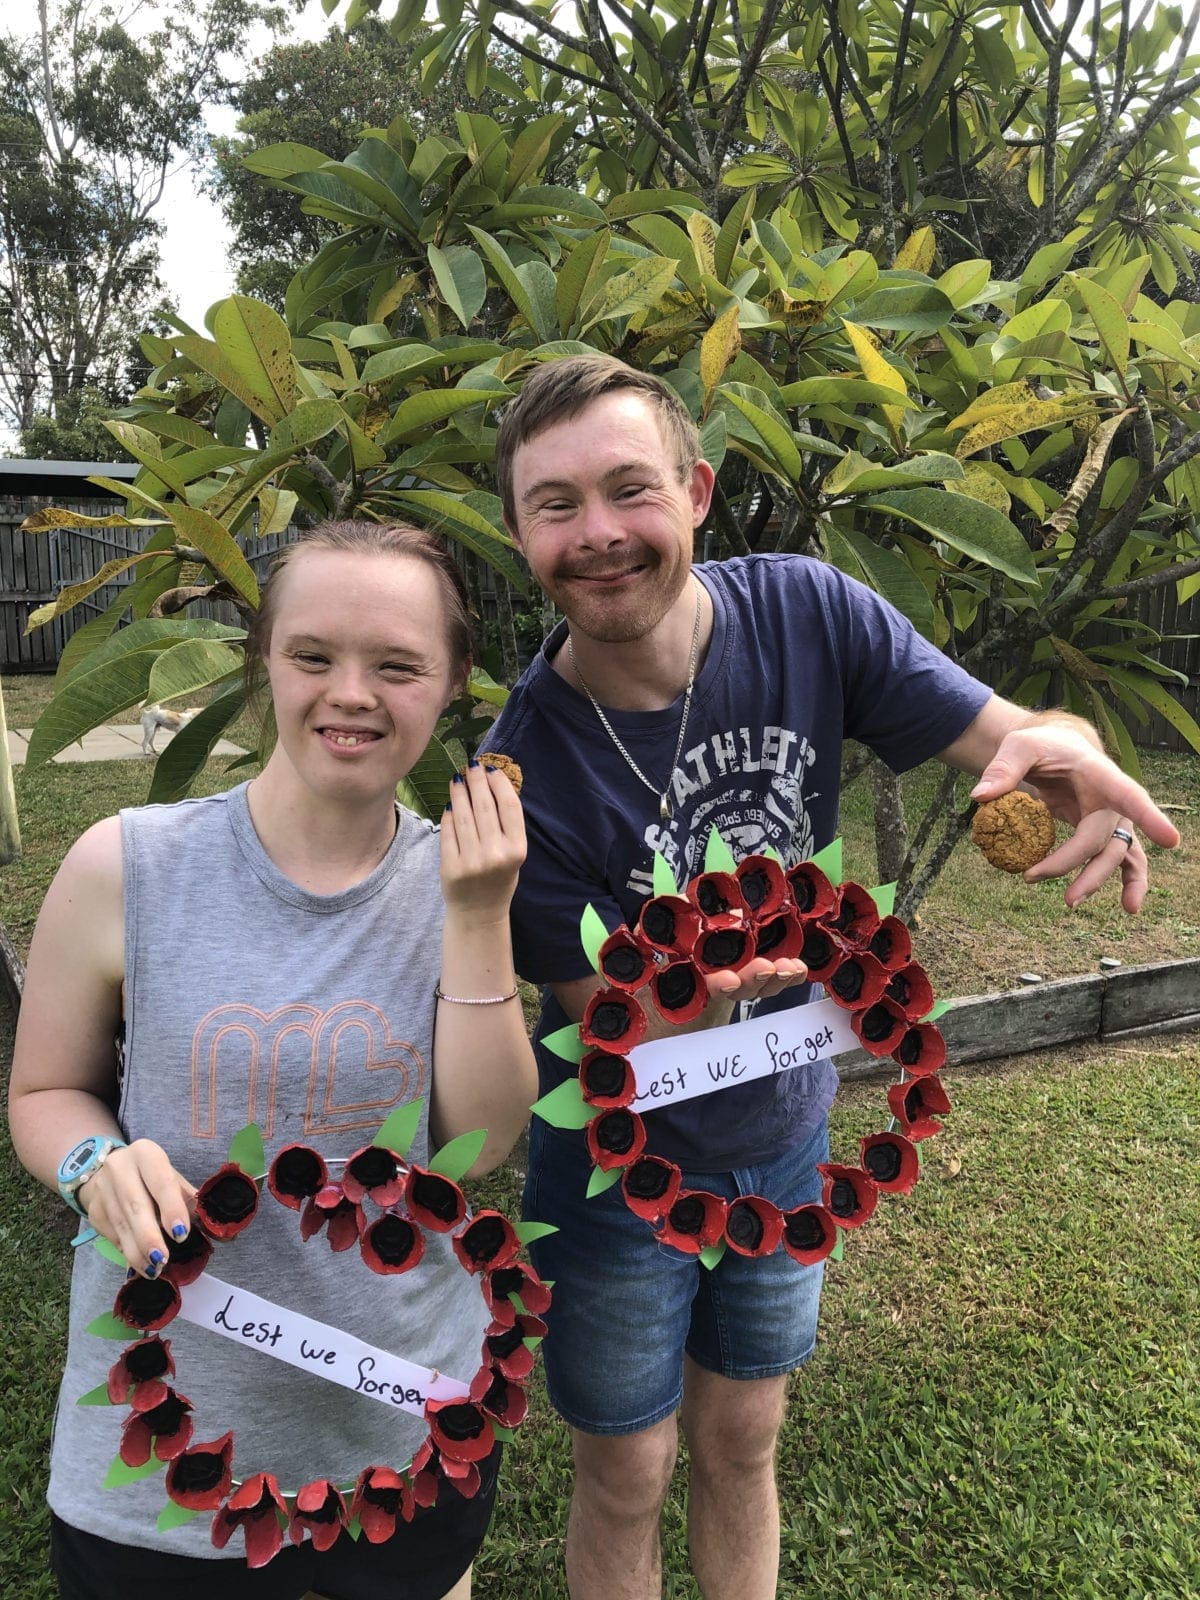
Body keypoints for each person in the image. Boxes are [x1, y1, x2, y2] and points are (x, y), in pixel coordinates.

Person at [480, 353, 1181, 1600]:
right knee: (627, 1470)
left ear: (696, 490)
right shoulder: (524, 768)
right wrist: (706, 996)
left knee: (746, 1442)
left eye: (629, 489)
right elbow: (615, 1029)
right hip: (613, 1164)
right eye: (556, 504)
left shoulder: (808, 611)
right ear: (519, 531)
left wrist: (1058, 747)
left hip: (786, 1134)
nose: (598, 534)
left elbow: (1001, 730)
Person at [8, 521, 536, 1600]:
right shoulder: (128, 865)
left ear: (450, 686)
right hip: (162, 1443)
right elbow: (44, 1090)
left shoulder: (464, 874)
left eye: (396, 664)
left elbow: (480, 1144)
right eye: (313, 656)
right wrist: (90, 1164)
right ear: (262, 661)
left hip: (400, 1430)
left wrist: (477, 914)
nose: (351, 692)